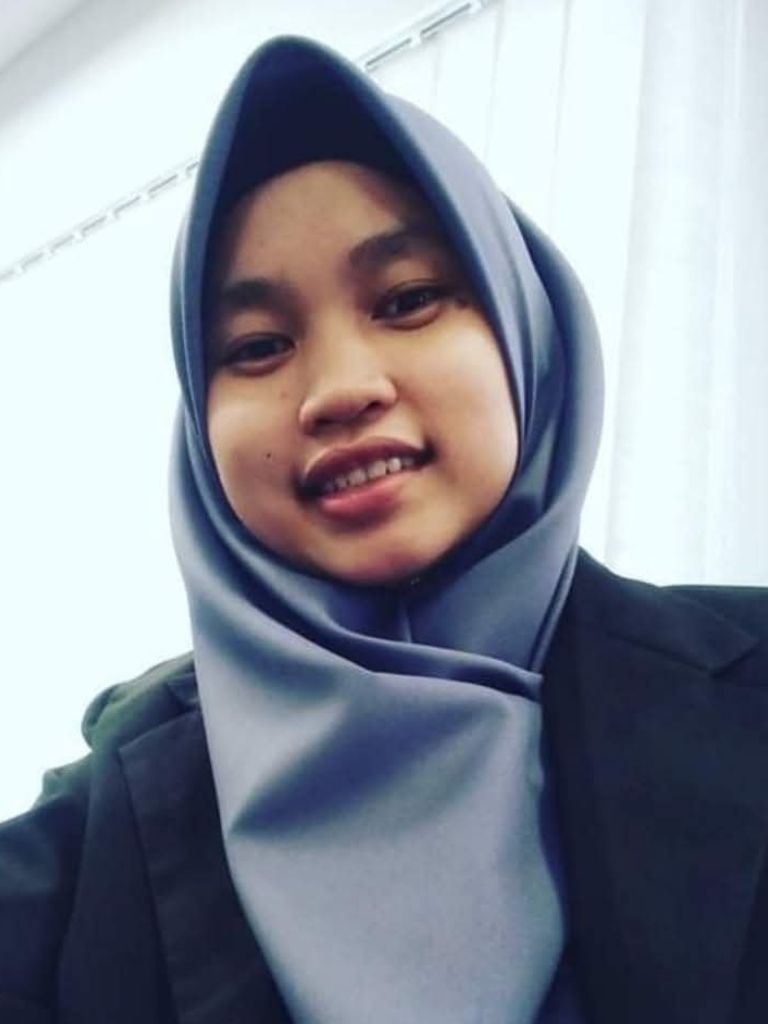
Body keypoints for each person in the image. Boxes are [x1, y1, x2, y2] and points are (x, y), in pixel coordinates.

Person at [2, 34, 767, 1024]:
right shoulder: (104, 811)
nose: (340, 389)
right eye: (257, 346)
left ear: (526, 333)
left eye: (408, 300)